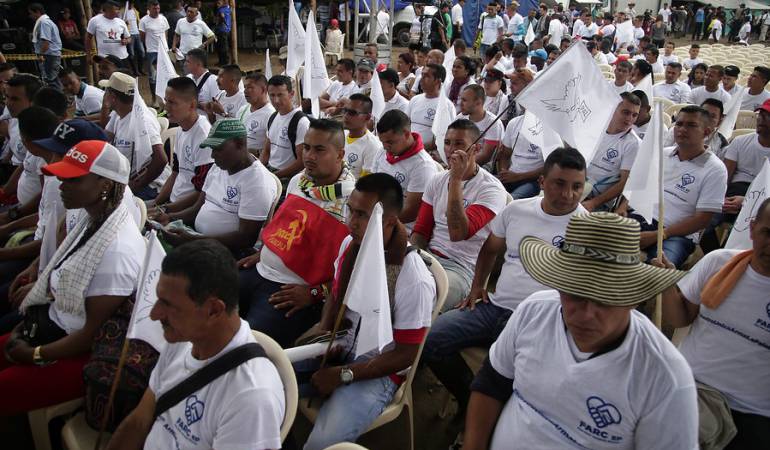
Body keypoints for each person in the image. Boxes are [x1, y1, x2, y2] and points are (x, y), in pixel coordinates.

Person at [462, 212, 697, 450]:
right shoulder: (534, 311)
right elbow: (492, 383)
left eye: (605, 300)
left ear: (633, 299)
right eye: (575, 294)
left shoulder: (665, 378)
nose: (586, 314)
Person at [423, 146, 590, 433]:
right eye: (560, 184)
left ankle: (494, 423)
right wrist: (477, 287)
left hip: (541, 320)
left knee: (511, 374)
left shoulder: (586, 226)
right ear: (542, 182)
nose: (568, 195)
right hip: (496, 306)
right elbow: (490, 249)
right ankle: (468, 400)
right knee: (431, 340)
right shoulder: (517, 210)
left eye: (577, 187)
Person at [0, 140, 146, 415]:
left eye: (73, 179)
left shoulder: (117, 250)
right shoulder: (93, 220)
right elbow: (68, 279)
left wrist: (35, 354)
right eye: (61, 176)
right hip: (53, 326)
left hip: (77, 352)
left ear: (104, 184)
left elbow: (89, 335)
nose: (61, 185)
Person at [299, 173, 436, 450]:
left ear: (388, 221)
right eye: (351, 210)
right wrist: (325, 329)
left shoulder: (414, 278)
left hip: (379, 371)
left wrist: (344, 374)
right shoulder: (351, 245)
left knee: (322, 444)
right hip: (341, 342)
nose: (351, 222)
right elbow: (336, 297)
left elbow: (406, 354)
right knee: (273, 378)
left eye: (361, 215)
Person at [105, 240, 284, 450]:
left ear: (213, 311)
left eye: (168, 305)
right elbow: (140, 420)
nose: (154, 314)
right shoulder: (182, 339)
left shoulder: (250, 397)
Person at [658, 198, 770, 449]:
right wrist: (665, 284)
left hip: (752, 413)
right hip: (691, 390)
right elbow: (680, 318)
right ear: (752, 229)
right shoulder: (719, 263)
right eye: (768, 232)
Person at [237, 119, 355, 347]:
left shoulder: (352, 202)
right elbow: (281, 228)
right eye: (307, 147)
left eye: (319, 150)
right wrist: (263, 252)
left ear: (340, 155)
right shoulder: (298, 182)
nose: (309, 156)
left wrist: (315, 293)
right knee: (208, 306)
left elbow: (353, 268)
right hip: (260, 270)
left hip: (291, 291)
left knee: (248, 346)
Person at [411, 119, 507, 311]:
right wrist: (413, 257)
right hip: (428, 256)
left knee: (420, 298)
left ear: (476, 148)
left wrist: (455, 179)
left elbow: (458, 233)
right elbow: (421, 231)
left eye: (459, 144)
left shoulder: (491, 189)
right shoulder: (437, 180)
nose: (451, 150)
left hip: (460, 268)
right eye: (447, 143)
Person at [153, 119, 276, 256]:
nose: (212, 155)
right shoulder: (218, 168)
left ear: (240, 144)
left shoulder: (257, 181)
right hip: (198, 238)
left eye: (218, 149)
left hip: (226, 253)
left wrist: (193, 241)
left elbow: (246, 239)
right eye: (212, 149)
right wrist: (170, 218)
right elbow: (197, 207)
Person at [631, 105, 728, 268]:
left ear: (707, 132)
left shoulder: (716, 169)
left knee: (659, 269)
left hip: (678, 235)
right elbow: (640, 190)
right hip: (642, 219)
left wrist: (658, 235)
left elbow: (702, 220)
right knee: (602, 244)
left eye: (691, 125)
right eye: (679, 124)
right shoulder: (663, 154)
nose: (682, 129)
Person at [100, 72, 168, 200]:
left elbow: (161, 159)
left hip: (149, 186)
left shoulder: (143, 121)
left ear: (113, 97)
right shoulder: (118, 113)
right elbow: (105, 137)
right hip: (125, 179)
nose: (103, 94)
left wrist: (135, 186)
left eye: (106, 91)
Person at [372, 110, 439, 230]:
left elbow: (410, 212)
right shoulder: (383, 151)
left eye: (390, 142)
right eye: (382, 142)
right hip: (376, 215)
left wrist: (375, 221)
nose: (385, 147)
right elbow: (371, 186)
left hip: (400, 227)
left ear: (407, 134)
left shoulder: (423, 166)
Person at [153, 77, 213, 210]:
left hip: (187, 210)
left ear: (192, 105)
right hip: (172, 203)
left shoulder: (203, 136)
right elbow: (175, 172)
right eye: (166, 101)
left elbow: (201, 192)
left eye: (172, 103)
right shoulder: (181, 128)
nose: (166, 107)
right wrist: (156, 203)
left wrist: (165, 210)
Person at [583, 92, 641, 212]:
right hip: (576, 187)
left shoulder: (633, 144)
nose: (630, 119)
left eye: (634, 115)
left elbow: (624, 182)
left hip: (597, 200)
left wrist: (594, 203)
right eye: (626, 112)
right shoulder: (595, 128)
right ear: (613, 108)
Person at [0, 74, 43, 210]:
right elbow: (25, 164)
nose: (8, 103)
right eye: (6, 97)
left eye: (15, 99)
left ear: (33, 101)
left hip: (28, 211)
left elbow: (46, 194)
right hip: (16, 198)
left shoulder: (41, 134)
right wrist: (4, 192)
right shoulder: (15, 119)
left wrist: (13, 216)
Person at [263, 75, 310, 182]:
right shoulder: (273, 117)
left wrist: (275, 176)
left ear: (291, 94)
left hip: (289, 177)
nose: (276, 100)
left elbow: (301, 162)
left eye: (280, 95)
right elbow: (267, 150)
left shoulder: (301, 122)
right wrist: (259, 169)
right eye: (272, 95)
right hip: (270, 172)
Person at [406, 63, 455, 152]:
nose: (421, 79)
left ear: (438, 81)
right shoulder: (414, 100)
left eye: (427, 76)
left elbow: (446, 136)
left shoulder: (446, 106)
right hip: (409, 150)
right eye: (422, 75)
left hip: (431, 155)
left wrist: (419, 149)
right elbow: (406, 124)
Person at [456, 85, 503, 166]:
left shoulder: (493, 123)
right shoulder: (460, 118)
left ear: (478, 102)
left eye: (464, 100)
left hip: (482, 168)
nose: (460, 103)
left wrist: (461, 165)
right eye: (461, 99)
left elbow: (486, 156)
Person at [342, 93, 382, 179]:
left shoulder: (373, 146)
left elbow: (364, 185)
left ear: (367, 117)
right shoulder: (341, 135)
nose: (345, 116)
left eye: (352, 113)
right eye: (345, 110)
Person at [139, 0, 170, 107]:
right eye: (154, 8)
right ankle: (154, 98)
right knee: (153, 76)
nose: (156, 10)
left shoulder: (163, 18)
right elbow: (142, 37)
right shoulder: (144, 21)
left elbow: (165, 32)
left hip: (164, 51)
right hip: (151, 51)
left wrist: (165, 46)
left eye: (158, 8)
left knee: (166, 74)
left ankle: (166, 98)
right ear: (149, 8)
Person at [237, 72, 275, 158]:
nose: (245, 91)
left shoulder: (271, 115)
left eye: (250, 87)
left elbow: (271, 149)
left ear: (263, 90)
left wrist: (254, 152)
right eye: (245, 87)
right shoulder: (242, 110)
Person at [28, 3, 62, 90]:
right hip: (50, 55)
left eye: (31, 13)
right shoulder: (46, 22)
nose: (30, 16)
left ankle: (57, 101)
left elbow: (46, 42)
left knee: (51, 81)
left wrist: (41, 54)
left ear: (37, 12)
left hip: (49, 55)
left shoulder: (44, 23)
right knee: (53, 80)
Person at [86, 1, 131, 67]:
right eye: (116, 9)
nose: (118, 11)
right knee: (107, 77)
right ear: (108, 10)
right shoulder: (95, 20)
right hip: (105, 59)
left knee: (122, 76)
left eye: (118, 9)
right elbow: (88, 38)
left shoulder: (121, 22)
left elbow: (129, 38)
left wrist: (126, 41)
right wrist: (88, 55)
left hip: (122, 57)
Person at [184, 48, 221, 118]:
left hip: (206, 123)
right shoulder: (187, 78)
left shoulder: (213, 81)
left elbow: (217, 107)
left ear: (198, 64)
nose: (185, 64)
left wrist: (197, 105)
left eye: (188, 61)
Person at [122, 0, 144, 76]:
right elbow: (120, 22)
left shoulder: (135, 11)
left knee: (142, 52)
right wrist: (124, 22)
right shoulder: (123, 12)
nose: (131, 5)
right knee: (132, 54)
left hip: (137, 33)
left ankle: (140, 69)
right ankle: (135, 71)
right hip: (129, 35)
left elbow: (139, 21)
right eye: (130, 3)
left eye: (132, 3)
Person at [215, 0, 232, 65]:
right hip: (227, 30)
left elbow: (222, 16)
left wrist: (219, 21)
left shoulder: (221, 9)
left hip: (222, 30)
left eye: (219, 3)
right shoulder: (229, 8)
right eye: (217, 3)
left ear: (223, 3)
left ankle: (224, 62)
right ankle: (223, 61)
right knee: (223, 46)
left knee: (222, 47)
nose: (217, 4)